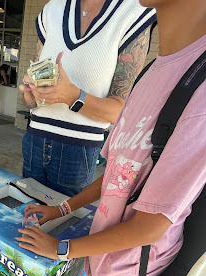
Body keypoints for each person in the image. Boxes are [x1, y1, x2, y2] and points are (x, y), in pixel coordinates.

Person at [16, 0, 206, 276]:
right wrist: (61, 210)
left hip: (128, 259)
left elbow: (151, 227)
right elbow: (118, 175)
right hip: (109, 243)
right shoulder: (154, 71)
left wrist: (62, 248)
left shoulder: (199, 89)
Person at [19, 0, 157, 197]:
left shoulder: (133, 12)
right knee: (24, 216)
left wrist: (74, 97)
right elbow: (33, 102)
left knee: (63, 223)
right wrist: (30, 94)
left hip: (78, 147)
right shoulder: (51, 10)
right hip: (34, 138)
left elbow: (120, 111)